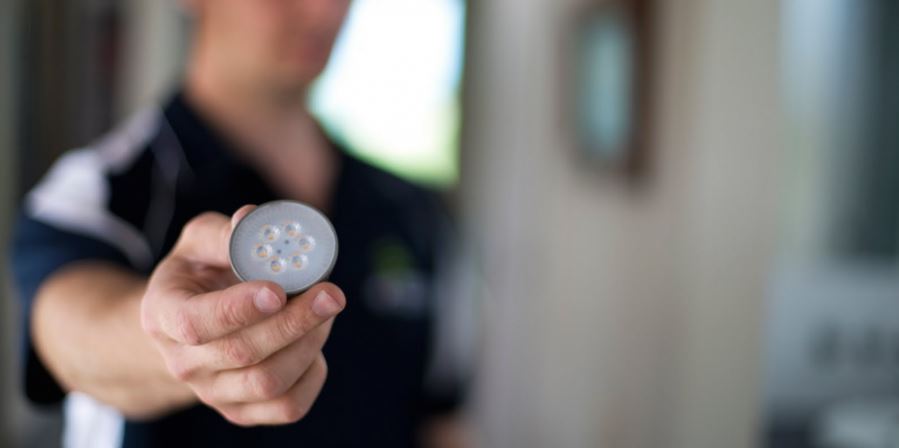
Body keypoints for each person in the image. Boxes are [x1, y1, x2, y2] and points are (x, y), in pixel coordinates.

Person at [10, 1, 470, 446]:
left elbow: (439, 418)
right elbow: (72, 329)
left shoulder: (412, 212)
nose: (324, 11)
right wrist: (174, 339)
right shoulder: (101, 190)